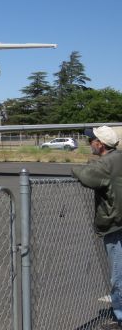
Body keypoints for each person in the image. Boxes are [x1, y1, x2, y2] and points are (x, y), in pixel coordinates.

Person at [72, 126, 122, 330]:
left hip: (115, 223)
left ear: (100, 144)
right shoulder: (118, 158)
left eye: (91, 140)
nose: (89, 143)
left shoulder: (105, 163)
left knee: (118, 275)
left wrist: (74, 167)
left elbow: (86, 176)